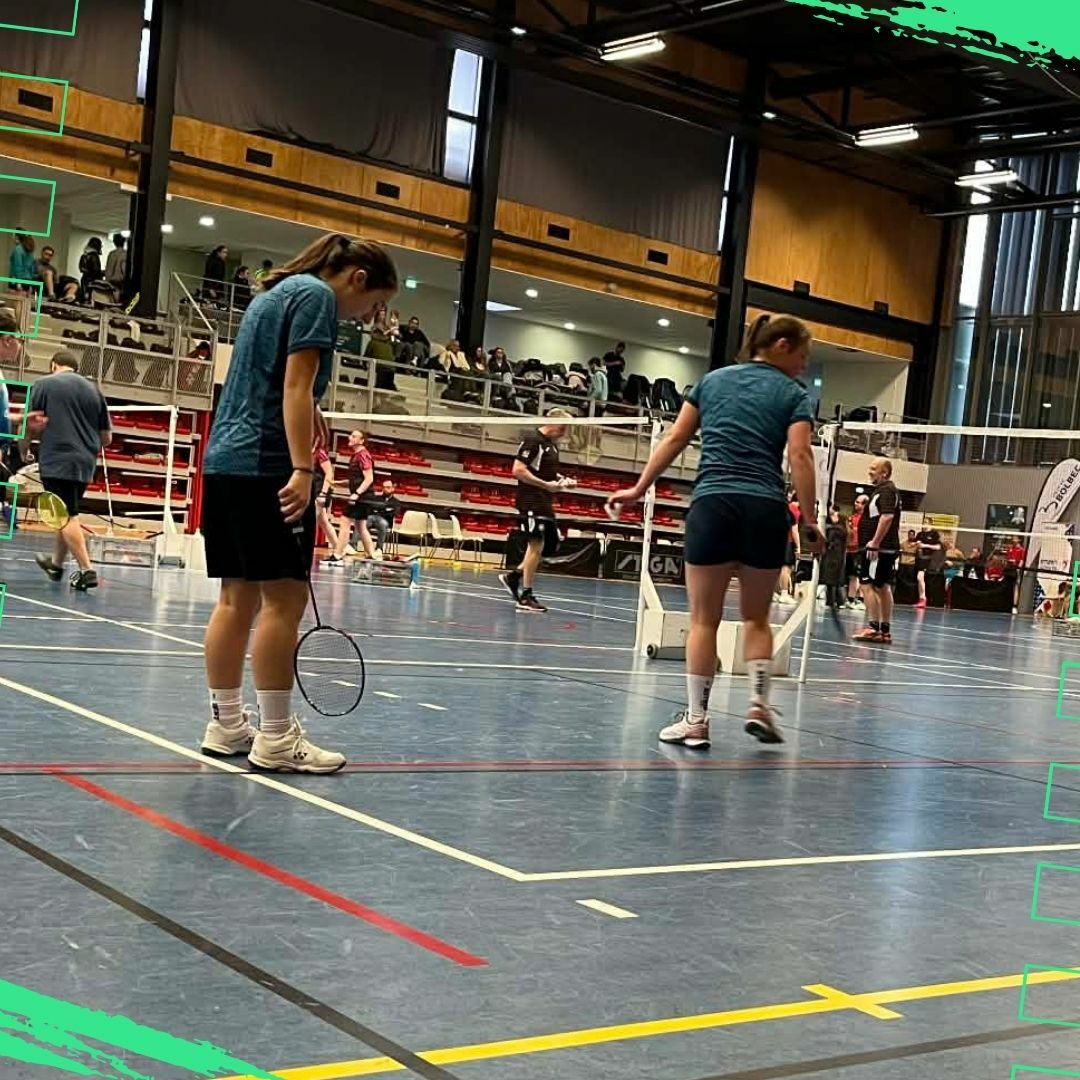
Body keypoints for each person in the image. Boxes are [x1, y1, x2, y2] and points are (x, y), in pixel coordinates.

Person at [199, 233, 397, 773]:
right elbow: (293, 385)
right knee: (283, 603)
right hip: (268, 464)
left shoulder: (274, 294)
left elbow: (270, 382)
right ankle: (276, 738)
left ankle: (226, 725)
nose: (370, 316)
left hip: (226, 460)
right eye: (375, 303)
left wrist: (312, 411)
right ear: (357, 278)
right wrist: (304, 468)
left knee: (234, 600)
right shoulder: (316, 297)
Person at [608, 314, 822, 747]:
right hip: (765, 510)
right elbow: (800, 456)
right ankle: (758, 703)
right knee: (757, 617)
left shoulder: (712, 382)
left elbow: (674, 439)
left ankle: (696, 720)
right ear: (781, 345)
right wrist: (811, 519)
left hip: (714, 506)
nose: (803, 366)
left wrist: (638, 488)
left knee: (704, 620)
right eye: (802, 356)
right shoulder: (793, 394)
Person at [28, 349, 112, 592]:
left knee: (67, 516)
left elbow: (32, 423)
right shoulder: (94, 390)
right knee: (64, 511)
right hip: (84, 462)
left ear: (53, 365)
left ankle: (87, 570)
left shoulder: (43, 384)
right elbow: (106, 438)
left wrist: (24, 448)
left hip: (57, 460)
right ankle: (56, 565)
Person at [499, 409, 575, 614]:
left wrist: (562, 480)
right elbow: (518, 470)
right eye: (564, 428)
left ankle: (514, 576)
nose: (565, 432)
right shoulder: (533, 440)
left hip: (544, 502)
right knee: (536, 544)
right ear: (554, 423)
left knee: (547, 546)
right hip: (531, 501)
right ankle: (526, 595)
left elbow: (545, 471)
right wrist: (546, 485)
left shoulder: (552, 445)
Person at [854, 458, 900, 644]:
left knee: (867, 584)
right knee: (882, 586)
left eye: (874, 468)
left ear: (884, 473)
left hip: (878, 549)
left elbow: (887, 517)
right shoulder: (882, 490)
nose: (870, 471)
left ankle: (873, 628)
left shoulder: (887, 491)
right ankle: (884, 630)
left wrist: (875, 542)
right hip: (882, 547)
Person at [332, 430, 377, 561]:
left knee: (345, 521)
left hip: (363, 496)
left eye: (354, 436)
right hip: (362, 496)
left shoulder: (363, 455)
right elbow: (356, 479)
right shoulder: (356, 455)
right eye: (350, 435)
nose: (349, 437)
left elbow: (369, 478)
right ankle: (372, 554)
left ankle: (338, 554)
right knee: (360, 526)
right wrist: (339, 483)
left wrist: (357, 493)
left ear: (362, 441)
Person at [313, 440, 339, 563]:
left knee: (306, 522)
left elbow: (329, 473)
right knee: (324, 522)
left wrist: (323, 493)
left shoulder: (320, 453)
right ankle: (339, 550)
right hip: (314, 491)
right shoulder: (307, 451)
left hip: (321, 492)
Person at [362, 479, 402, 554]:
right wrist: (385, 510)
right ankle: (353, 545)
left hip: (386, 521)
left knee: (382, 523)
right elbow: (369, 509)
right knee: (361, 522)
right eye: (384, 487)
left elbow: (394, 514)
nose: (385, 489)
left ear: (393, 488)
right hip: (372, 518)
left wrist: (378, 511)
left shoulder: (396, 502)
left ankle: (379, 549)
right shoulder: (376, 498)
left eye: (388, 487)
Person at [821, 506, 849, 610]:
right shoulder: (829, 523)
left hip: (836, 554)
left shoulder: (840, 525)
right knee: (832, 579)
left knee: (834, 579)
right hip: (832, 553)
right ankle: (834, 601)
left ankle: (836, 601)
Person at [914, 522, 943, 609]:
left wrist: (925, 545)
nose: (924, 525)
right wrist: (916, 544)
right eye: (923, 523)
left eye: (926, 523)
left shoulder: (934, 534)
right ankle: (922, 599)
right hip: (921, 559)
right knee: (919, 578)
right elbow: (917, 544)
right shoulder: (920, 534)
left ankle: (924, 599)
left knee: (921, 578)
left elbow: (938, 547)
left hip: (931, 559)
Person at [846, 493, 867, 606]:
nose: (856, 504)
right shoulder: (852, 518)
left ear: (865, 505)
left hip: (861, 550)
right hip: (850, 550)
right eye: (856, 501)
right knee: (852, 575)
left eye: (859, 502)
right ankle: (850, 600)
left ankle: (861, 600)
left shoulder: (867, 519)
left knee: (860, 575)